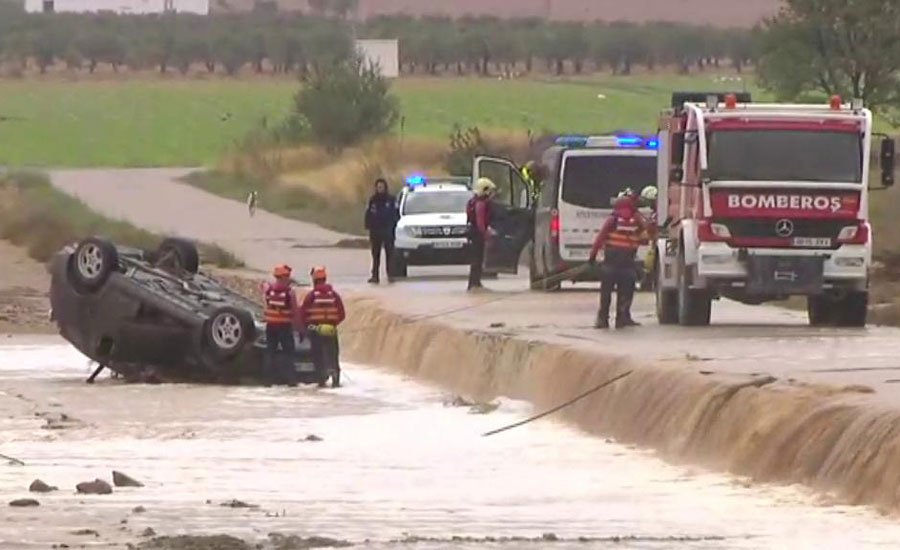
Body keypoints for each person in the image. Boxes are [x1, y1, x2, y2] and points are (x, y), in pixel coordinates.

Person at [588, 191, 651, 329]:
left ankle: (602, 319)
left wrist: (592, 257)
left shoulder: (612, 220)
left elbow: (600, 238)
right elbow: (645, 239)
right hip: (627, 263)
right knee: (626, 291)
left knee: (606, 292)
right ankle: (622, 318)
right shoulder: (637, 220)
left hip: (610, 263)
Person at [298, 266, 346, 387]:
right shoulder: (334, 295)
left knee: (318, 356)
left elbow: (303, 314)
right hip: (331, 330)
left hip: (316, 330)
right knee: (333, 356)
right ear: (325, 279)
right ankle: (336, 382)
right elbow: (342, 314)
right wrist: (333, 324)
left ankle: (321, 382)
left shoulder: (311, 296)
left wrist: (304, 329)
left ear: (314, 280)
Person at [262, 264, 299, 386]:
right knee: (288, 353)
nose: (289, 278)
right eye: (287, 276)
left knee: (270, 352)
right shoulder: (289, 292)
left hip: (271, 326)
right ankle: (291, 380)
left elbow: (267, 304)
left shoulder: (269, 290)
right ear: (283, 277)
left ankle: (268, 381)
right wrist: (300, 328)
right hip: (284, 326)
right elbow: (295, 311)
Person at [364, 178, 400, 284]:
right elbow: (368, 214)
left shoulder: (391, 200)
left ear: (385, 188)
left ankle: (391, 275)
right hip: (375, 231)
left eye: (382, 187)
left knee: (390, 254)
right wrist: (368, 226)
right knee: (375, 255)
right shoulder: (372, 200)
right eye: (378, 187)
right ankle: (375, 276)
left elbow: (396, 214)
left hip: (388, 230)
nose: (380, 189)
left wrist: (393, 226)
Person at [466, 177, 496, 291]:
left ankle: (475, 283)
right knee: (477, 259)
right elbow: (480, 222)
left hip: (473, 233)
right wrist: (486, 234)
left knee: (476, 259)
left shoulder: (473, 202)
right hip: (477, 234)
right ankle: (474, 284)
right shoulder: (481, 204)